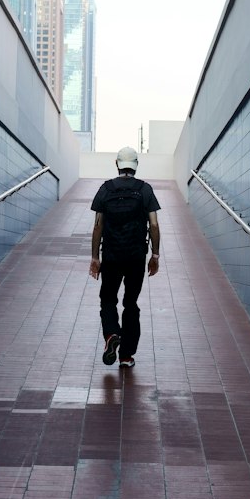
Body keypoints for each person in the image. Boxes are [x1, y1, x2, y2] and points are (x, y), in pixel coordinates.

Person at [89, 146, 160, 368]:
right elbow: (154, 225)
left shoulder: (106, 189)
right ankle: (126, 356)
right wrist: (155, 254)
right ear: (136, 165)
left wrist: (95, 258)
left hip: (111, 256)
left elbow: (98, 226)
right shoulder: (145, 189)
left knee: (108, 299)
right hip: (136, 257)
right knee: (131, 303)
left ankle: (111, 334)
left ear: (117, 164)